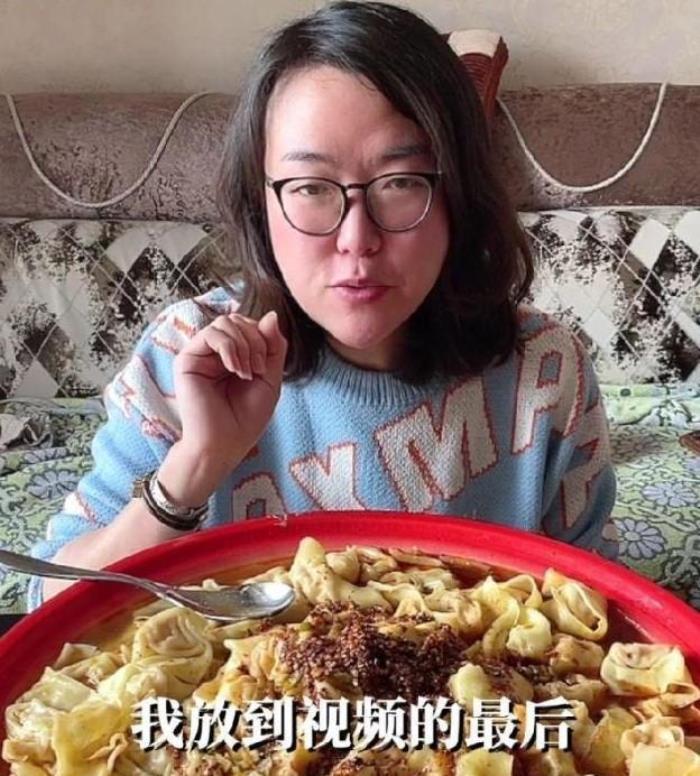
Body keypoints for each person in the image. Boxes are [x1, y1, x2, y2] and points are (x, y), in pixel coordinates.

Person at [29, 0, 618, 610]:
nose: (357, 240)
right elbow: (45, 598)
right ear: (260, 204)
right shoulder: (183, 357)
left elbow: (605, 608)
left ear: (459, 194)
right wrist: (195, 465)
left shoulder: (544, 370)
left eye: (401, 182)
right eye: (310, 187)